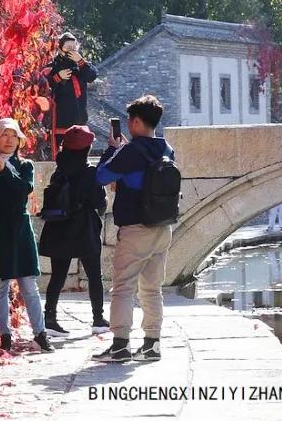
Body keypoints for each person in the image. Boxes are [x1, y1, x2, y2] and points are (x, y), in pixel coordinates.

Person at [92, 95, 174, 363]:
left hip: (136, 227)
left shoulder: (131, 151)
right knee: (152, 288)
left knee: (124, 287)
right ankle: (152, 344)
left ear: (137, 121)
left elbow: (101, 176)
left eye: (129, 120)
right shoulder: (166, 149)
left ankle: (119, 345)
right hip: (162, 227)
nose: (127, 124)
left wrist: (113, 150)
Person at [0, 118, 54, 353]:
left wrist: (5, 171)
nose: (9, 140)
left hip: (20, 228)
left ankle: (41, 333)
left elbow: (23, 191)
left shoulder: (25, 166)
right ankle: (5, 335)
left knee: (29, 285)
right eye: (4, 134)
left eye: (14, 135)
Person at [37, 125, 110, 336]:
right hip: (84, 229)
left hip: (59, 228)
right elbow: (98, 202)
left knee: (58, 276)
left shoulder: (59, 171)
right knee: (94, 275)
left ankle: (49, 317)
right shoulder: (89, 172)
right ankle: (98, 318)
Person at [46, 33, 98, 158]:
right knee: (61, 157)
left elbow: (92, 75)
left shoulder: (82, 67)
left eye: (74, 49)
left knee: (80, 157)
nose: (72, 52)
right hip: (60, 123)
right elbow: (44, 87)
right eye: (68, 48)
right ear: (60, 49)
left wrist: (80, 61)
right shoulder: (52, 68)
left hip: (80, 120)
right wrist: (58, 77)